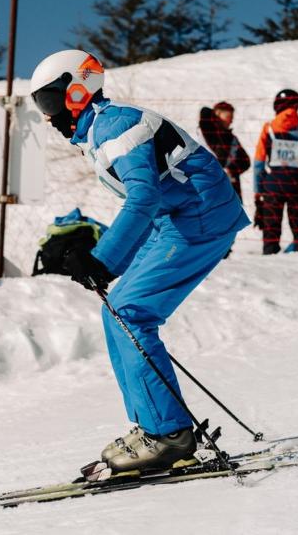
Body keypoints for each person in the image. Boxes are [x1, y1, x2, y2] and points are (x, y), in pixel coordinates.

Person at [30, 49, 249, 473]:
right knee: (118, 313)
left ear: (77, 89)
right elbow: (149, 203)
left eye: (51, 101)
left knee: (130, 313)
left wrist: (104, 260)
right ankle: (155, 426)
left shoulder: (116, 125)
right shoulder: (100, 131)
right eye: (42, 105)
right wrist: (102, 260)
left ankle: (169, 435)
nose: (49, 116)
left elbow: (144, 197)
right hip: (178, 218)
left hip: (200, 216)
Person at [252, 89, 298, 254]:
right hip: (297, 183)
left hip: (273, 183)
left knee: (271, 226)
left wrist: (258, 189)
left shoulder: (268, 129)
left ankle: (269, 255)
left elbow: (259, 162)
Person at [198, 102, 250, 200]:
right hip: (211, 189)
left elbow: (246, 162)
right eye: (228, 116)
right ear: (217, 115)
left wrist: (230, 170)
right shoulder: (208, 133)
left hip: (232, 189)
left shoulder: (232, 139)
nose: (231, 121)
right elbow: (205, 112)